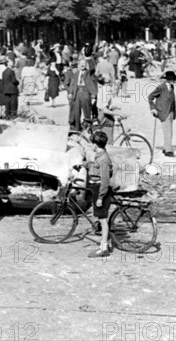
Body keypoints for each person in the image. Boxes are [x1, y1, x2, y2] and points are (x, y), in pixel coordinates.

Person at [82, 130, 113, 258]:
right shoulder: (99, 156)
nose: (91, 146)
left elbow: (105, 180)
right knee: (101, 219)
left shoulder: (104, 159)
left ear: (96, 144)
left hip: (100, 189)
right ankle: (107, 242)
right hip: (95, 188)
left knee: (103, 220)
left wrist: (100, 197)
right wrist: (84, 165)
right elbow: (94, 166)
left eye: (92, 143)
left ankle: (103, 248)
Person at [148, 71, 176, 157]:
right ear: (168, 80)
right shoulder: (161, 87)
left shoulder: (172, 87)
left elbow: (173, 100)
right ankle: (168, 150)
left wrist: (174, 112)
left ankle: (166, 148)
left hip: (170, 111)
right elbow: (150, 97)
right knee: (167, 131)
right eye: (172, 79)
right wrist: (153, 109)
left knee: (169, 131)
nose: (173, 81)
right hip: (163, 112)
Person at [67, 59, 97, 131]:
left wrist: (93, 95)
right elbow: (73, 84)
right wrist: (70, 92)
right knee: (76, 111)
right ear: (78, 65)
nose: (82, 65)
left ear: (86, 65)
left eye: (84, 64)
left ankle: (88, 127)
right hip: (77, 93)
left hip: (85, 92)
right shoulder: (76, 73)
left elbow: (92, 68)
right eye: (81, 64)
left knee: (87, 111)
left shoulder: (88, 73)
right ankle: (77, 127)